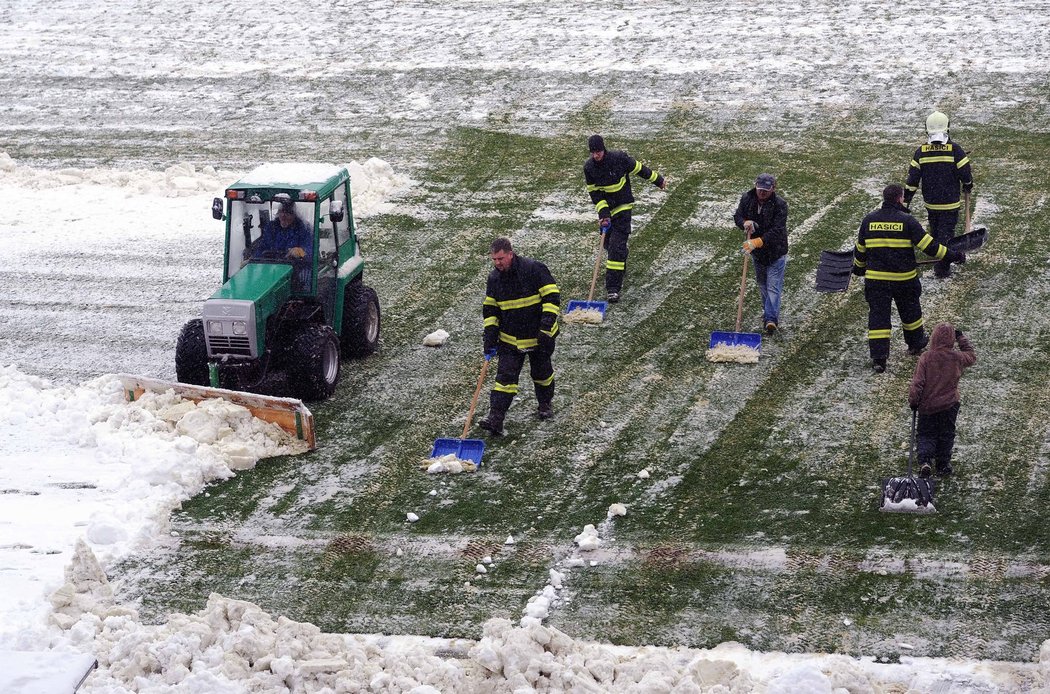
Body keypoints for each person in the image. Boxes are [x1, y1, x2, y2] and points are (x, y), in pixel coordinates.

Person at [853, 184, 963, 373]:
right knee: (910, 312)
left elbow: (860, 249)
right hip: (903, 279)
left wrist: (859, 268)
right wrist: (954, 255)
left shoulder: (869, 220)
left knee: (878, 318)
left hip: (876, 280)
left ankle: (879, 358)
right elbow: (930, 247)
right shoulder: (907, 221)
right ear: (899, 199)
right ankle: (915, 343)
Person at [478, 237, 561, 436]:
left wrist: (546, 327)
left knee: (542, 374)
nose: (497, 263)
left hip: (539, 336)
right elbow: (491, 309)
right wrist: (490, 336)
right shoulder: (494, 279)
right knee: (504, 380)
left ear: (510, 254)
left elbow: (552, 297)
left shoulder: (534, 269)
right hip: (510, 339)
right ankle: (496, 419)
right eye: (494, 260)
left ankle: (544, 404)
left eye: (500, 259)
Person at [582, 134, 667, 303]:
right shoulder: (589, 168)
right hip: (608, 210)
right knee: (608, 244)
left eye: (598, 151)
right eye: (593, 152)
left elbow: (640, 169)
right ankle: (621, 255)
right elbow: (594, 193)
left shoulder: (619, 159)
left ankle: (613, 289)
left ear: (603, 149)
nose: (596, 155)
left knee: (615, 247)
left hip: (623, 207)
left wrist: (658, 180)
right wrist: (604, 214)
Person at [903, 110, 974, 279]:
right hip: (950, 204)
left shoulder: (921, 152)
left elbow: (912, 179)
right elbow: (965, 174)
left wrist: (906, 201)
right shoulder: (955, 150)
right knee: (946, 234)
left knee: (935, 231)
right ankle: (942, 267)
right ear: (947, 129)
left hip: (931, 203)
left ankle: (941, 255)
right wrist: (968, 185)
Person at [908, 322, 977, 478]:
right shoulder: (956, 357)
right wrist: (961, 339)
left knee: (926, 434)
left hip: (928, 405)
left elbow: (917, 382)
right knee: (946, 434)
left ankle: (925, 461)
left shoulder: (926, 357)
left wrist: (914, 400)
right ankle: (942, 464)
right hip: (949, 405)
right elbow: (971, 356)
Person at [733, 173, 789, 333]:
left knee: (773, 286)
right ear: (755, 186)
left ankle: (771, 319)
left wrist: (756, 242)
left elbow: (777, 230)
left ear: (773, 189)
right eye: (760, 189)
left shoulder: (780, 205)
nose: (762, 192)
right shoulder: (747, 199)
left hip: (776, 252)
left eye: (766, 190)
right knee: (763, 285)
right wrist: (744, 223)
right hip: (758, 254)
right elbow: (737, 216)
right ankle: (768, 314)